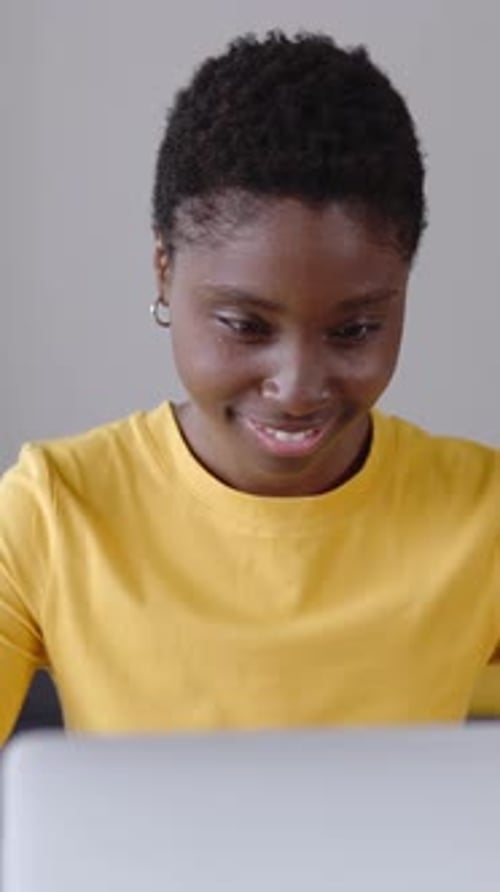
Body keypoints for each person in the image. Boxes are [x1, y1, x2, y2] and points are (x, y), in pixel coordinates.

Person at [1, 30, 499, 745]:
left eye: (354, 330)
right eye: (245, 324)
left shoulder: (484, 519)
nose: (297, 387)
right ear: (164, 270)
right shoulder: (51, 514)